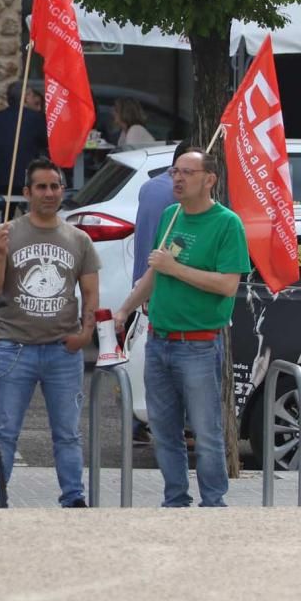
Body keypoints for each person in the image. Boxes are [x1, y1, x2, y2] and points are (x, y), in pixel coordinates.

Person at [116, 149, 250, 507]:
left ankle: (213, 504)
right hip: (160, 341)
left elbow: (226, 285)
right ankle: (175, 501)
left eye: (188, 173)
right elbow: (155, 272)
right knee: (163, 431)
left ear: (210, 180)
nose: (178, 179)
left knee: (206, 434)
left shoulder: (226, 224)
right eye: (175, 172)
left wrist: (175, 269)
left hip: (199, 346)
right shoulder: (170, 216)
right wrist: (125, 309)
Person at [0, 157, 100, 508]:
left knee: (67, 434)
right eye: (42, 187)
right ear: (26, 193)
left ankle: (73, 498)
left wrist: (85, 333)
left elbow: (91, 291)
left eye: (55, 186)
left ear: (63, 191)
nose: (49, 193)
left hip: (62, 350)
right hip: (15, 347)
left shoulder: (78, 239)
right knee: (5, 432)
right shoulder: (6, 233)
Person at [127, 142, 194, 446]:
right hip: (164, 289)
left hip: (143, 280)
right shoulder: (179, 203)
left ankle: (136, 423)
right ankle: (161, 425)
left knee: (139, 352)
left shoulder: (151, 187)